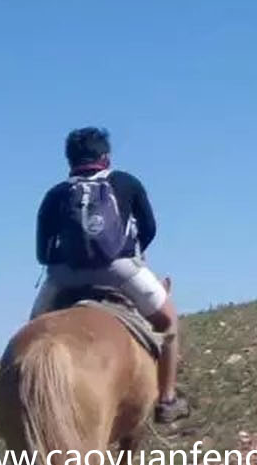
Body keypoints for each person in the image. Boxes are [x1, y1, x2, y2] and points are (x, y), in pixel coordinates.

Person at [32, 126, 188, 423]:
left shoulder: (55, 195)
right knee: (169, 320)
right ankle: (167, 400)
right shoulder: (126, 182)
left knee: (32, 334)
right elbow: (150, 228)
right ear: (106, 156)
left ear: (70, 160)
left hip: (64, 275)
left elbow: (42, 252)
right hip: (117, 269)